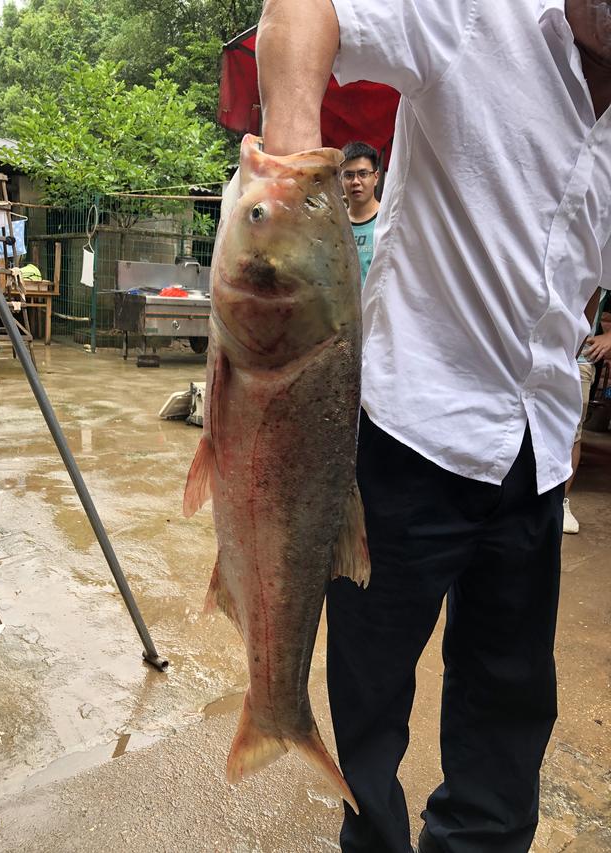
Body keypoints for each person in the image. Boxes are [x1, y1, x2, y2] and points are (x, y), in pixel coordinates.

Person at [256, 2, 611, 852]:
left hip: (534, 453)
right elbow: (301, 11)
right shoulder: (477, 18)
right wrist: (291, 169)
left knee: (509, 702)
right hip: (407, 429)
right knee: (369, 699)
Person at [564, 287, 611, 533]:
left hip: (579, 359)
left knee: (572, 431)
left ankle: (559, 502)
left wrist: (608, 337)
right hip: (526, 351)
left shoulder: (600, 258)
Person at [340, 141, 381, 286]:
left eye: (363, 174)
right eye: (349, 175)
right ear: (341, 179)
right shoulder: (334, 223)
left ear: (376, 177)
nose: (355, 181)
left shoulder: (388, 221)